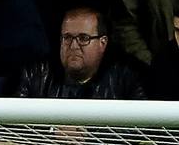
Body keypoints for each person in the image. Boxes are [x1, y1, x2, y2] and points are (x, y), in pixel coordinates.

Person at [15, 7, 147, 100]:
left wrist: (87, 135)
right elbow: (15, 125)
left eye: (83, 38)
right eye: (67, 38)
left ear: (103, 43)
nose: (73, 46)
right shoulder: (35, 75)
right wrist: (53, 131)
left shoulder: (126, 78)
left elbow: (140, 130)